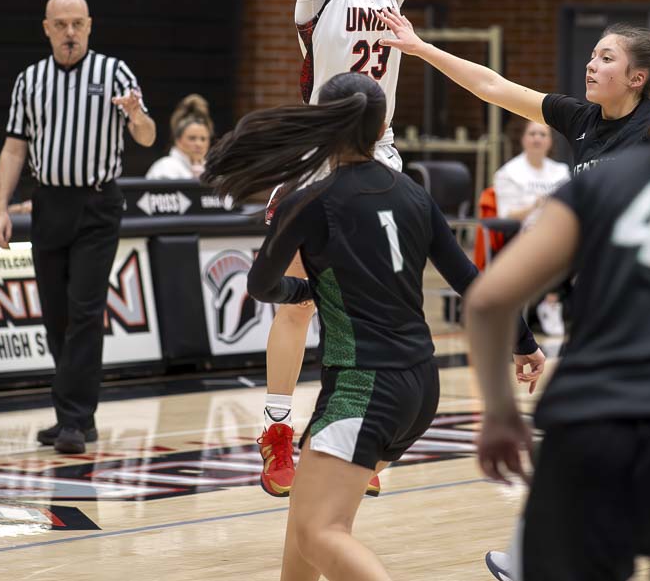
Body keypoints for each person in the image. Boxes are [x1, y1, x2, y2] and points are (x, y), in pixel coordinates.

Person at [203, 72, 545, 581]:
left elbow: (260, 285)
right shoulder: (414, 195)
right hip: (419, 387)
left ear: (324, 120)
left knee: (321, 533)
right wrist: (524, 343)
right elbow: (474, 283)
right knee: (306, 529)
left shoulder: (309, 200)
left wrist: (306, 291)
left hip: (362, 388)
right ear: (383, 124)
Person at [378, 10, 650, 580]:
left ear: (638, 78)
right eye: (592, 53)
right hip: (605, 310)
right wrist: (420, 49)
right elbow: (495, 87)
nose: (591, 63)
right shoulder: (581, 120)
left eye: (607, 57)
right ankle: (537, 555)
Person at [466, 16, 650, 581]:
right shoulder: (595, 135)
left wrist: (500, 413)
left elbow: (487, 301)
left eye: (607, 58)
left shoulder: (607, 181)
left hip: (593, 417)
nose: (592, 67)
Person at [257, 0, 422, 498]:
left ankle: (356, 435)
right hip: (319, 162)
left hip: (379, 161)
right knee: (297, 306)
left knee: (373, 310)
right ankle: (275, 433)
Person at [0, 0, 156, 455]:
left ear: (89, 25)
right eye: (60, 24)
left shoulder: (114, 73)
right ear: (46, 28)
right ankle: (76, 414)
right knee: (56, 313)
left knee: (84, 311)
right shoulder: (30, 80)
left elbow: (147, 136)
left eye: (77, 24)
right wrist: (2, 207)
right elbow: (14, 147)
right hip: (48, 203)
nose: (69, 33)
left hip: (98, 205)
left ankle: (73, 418)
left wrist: (135, 113)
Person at [493, 120, 570, 335]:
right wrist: (535, 205)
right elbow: (505, 215)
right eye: (532, 133)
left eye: (542, 134)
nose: (537, 138)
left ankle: (553, 301)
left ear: (549, 142)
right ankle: (551, 302)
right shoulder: (508, 173)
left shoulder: (561, 172)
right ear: (524, 139)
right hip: (521, 233)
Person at [146, 94, 213, 179]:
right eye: (192, 138)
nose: (198, 144)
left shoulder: (212, 171)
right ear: (178, 140)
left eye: (203, 139)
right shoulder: (166, 167)